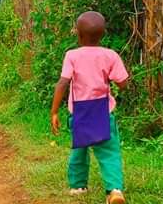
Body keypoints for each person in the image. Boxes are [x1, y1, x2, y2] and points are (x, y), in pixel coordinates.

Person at [50, 11, 129, 204]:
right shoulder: (110, 55)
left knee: (79, 149)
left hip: (79, 113)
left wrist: (54, 111)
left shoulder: (72, 55)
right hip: (103, 112)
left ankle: (78, 186)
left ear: (78, 34)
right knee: (109, 152)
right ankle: (115, 190)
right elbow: (123, 83)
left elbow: (62, 83)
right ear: (103, 34)